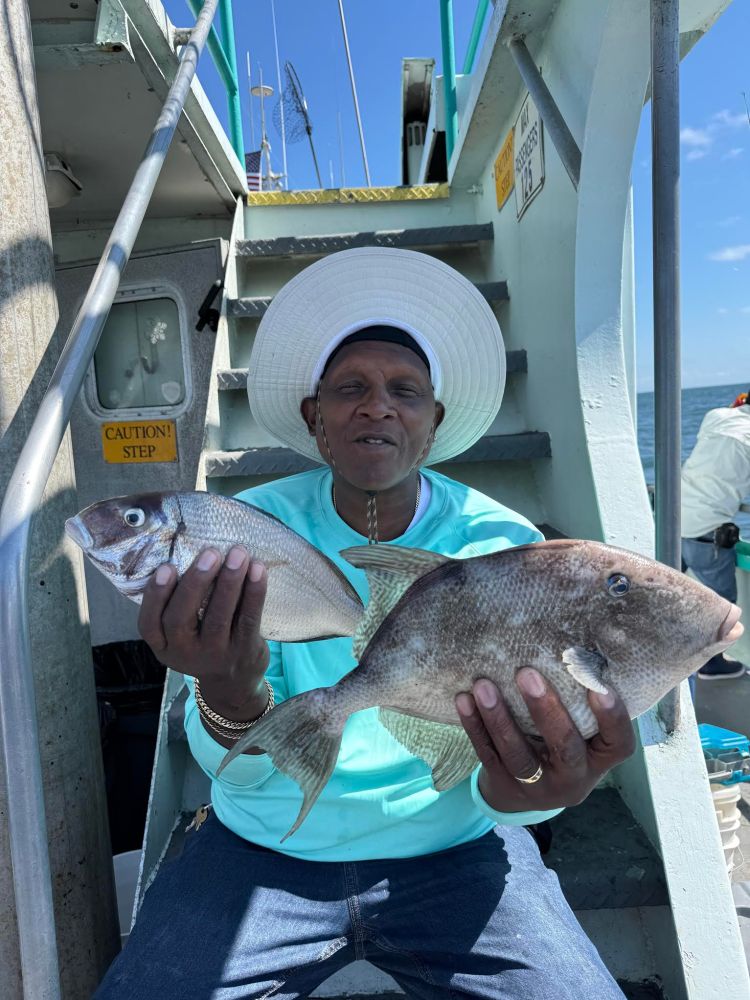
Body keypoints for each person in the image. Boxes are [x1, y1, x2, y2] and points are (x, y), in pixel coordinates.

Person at [95, 248, 635, 999]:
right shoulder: (248, 531)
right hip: (259, 843)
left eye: (404, 391)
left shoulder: (503, 547)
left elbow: (499, 784)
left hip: (455, 847)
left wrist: (539, 788)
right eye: (349, 388)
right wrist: (224, 692)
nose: (376, 405)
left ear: (433, 422)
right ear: (315, 420)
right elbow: (238, 765)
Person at [681, 389, 750, 680]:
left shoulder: (716, 416)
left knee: (668, 594)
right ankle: (711, 663)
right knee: (723, 604)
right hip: (705, 532)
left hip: (672, 517)